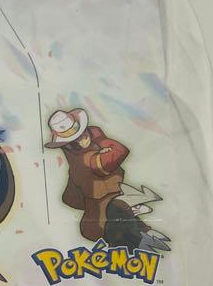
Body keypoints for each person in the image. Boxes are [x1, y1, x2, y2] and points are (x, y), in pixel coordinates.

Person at [45, 107, 169, 251]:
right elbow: (119, 151)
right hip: (104, 221)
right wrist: (101, 143)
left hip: (109, 208)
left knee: (123, 219)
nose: (82, 139)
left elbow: (70, 198)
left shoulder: (81, 159)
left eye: (83, 135)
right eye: (75, 139)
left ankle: (139, 235)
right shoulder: (86, 160)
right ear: (68, 145)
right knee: (120, 229)